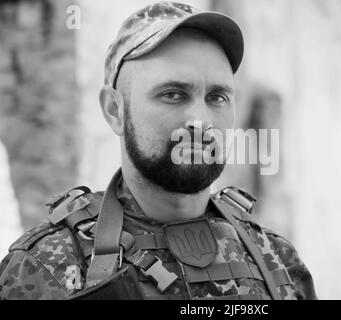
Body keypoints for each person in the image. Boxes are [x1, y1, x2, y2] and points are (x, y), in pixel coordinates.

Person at [0, 1, 317, 300]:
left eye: (217, 97)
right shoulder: (47, 267)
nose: (200, 122)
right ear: (114, 111)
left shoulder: (277, 260)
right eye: (173, 95)